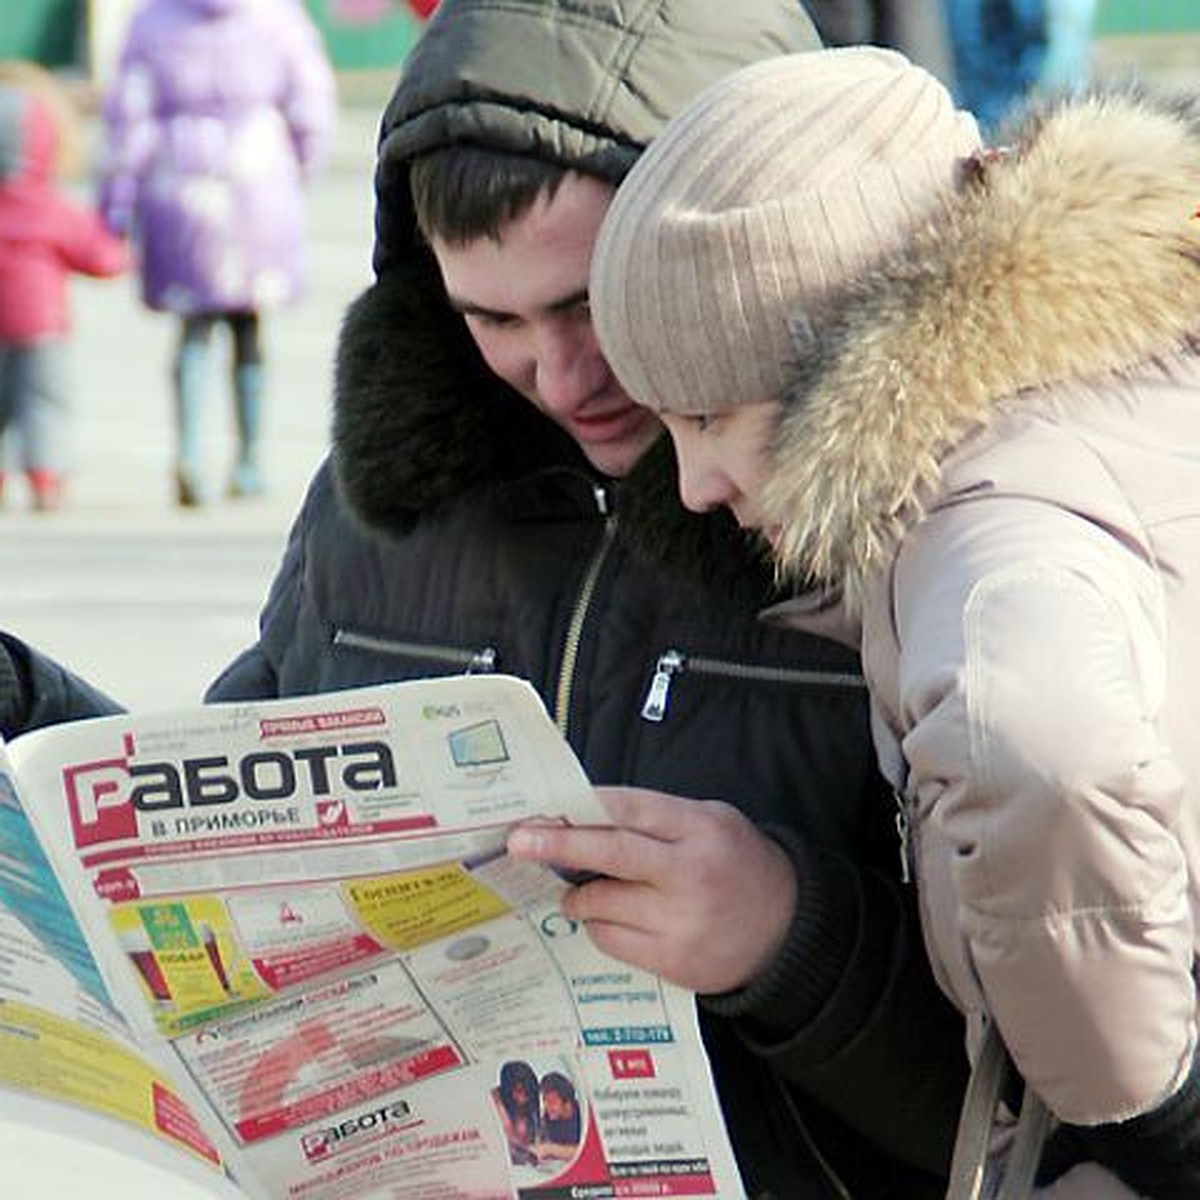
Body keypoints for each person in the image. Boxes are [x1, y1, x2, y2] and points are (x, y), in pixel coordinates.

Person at [0, 3, 971, 1195]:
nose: (560, 378)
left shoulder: (933, 519)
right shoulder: (383, 511)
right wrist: (27, 719)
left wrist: (792, 941)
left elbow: (1099, 1096)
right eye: (491, 320)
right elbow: (225, 838)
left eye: (589, 307)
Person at [586, 43, 1200, 1198]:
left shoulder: (983, 520)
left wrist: (1144, 1114)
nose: (693, 486)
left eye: (712, 415)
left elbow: (1041, 752)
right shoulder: (1103, 383)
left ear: (846, 365)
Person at [97, 0, 336, 507]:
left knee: (193, 328)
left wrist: (117, 198)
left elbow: (129, 115)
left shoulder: (152, 21)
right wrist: (298, 168)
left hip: (180, 185)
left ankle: (188, 453)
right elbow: (311, 102)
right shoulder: (279, 17)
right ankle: (248, 461)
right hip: (259, 177)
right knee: (249, 327)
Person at [0, 63, 129, 512]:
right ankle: (44, 475)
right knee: (44, 402)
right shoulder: (51, 208)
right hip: (41, 329)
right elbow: (105, 258)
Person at [491, 1059, 540, 1165]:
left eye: (525, 1091)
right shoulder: (496, 1102)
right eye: (518, 1091)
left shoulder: (532, 1107)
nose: (522, 1097)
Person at [533, 1070, 581, 1163]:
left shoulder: (582, 1117)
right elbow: (539, 1142)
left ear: (567, 1103)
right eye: (544, 1101)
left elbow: (586, 1150)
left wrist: (551, 1149)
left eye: (552, 1102)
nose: (546, 1106)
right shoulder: (547, 1118)